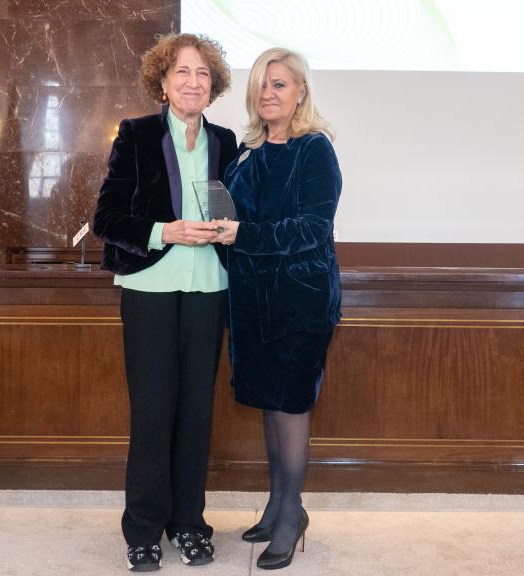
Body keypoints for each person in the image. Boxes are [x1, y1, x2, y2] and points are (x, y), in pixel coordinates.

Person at [92, 33, 238, 572]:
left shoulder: (227, 141)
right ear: (162, 81)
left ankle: (190, 524)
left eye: (202, 74)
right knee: (154, 413)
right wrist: (164, 231)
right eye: (182, 72)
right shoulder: (136, 135)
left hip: (211, 291)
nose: (193, 82)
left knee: (196, 414)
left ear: (214, 84)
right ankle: (144, 528)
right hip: (150, 289)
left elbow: (235, 209)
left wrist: (231, 231)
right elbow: (108, 218)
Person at [213, 47, 342, 570]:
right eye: (262, 85)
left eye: (281, 84)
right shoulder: (245, 152)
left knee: (290, 405)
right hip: (249, 300)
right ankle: (277, 503)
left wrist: (241, 233)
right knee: (269, 402)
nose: (269, 93)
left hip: (299, 300)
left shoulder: (315, 150)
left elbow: (312, 230)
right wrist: (215, 228)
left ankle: (292, 515)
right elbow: (224, 217)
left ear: (301, 92)